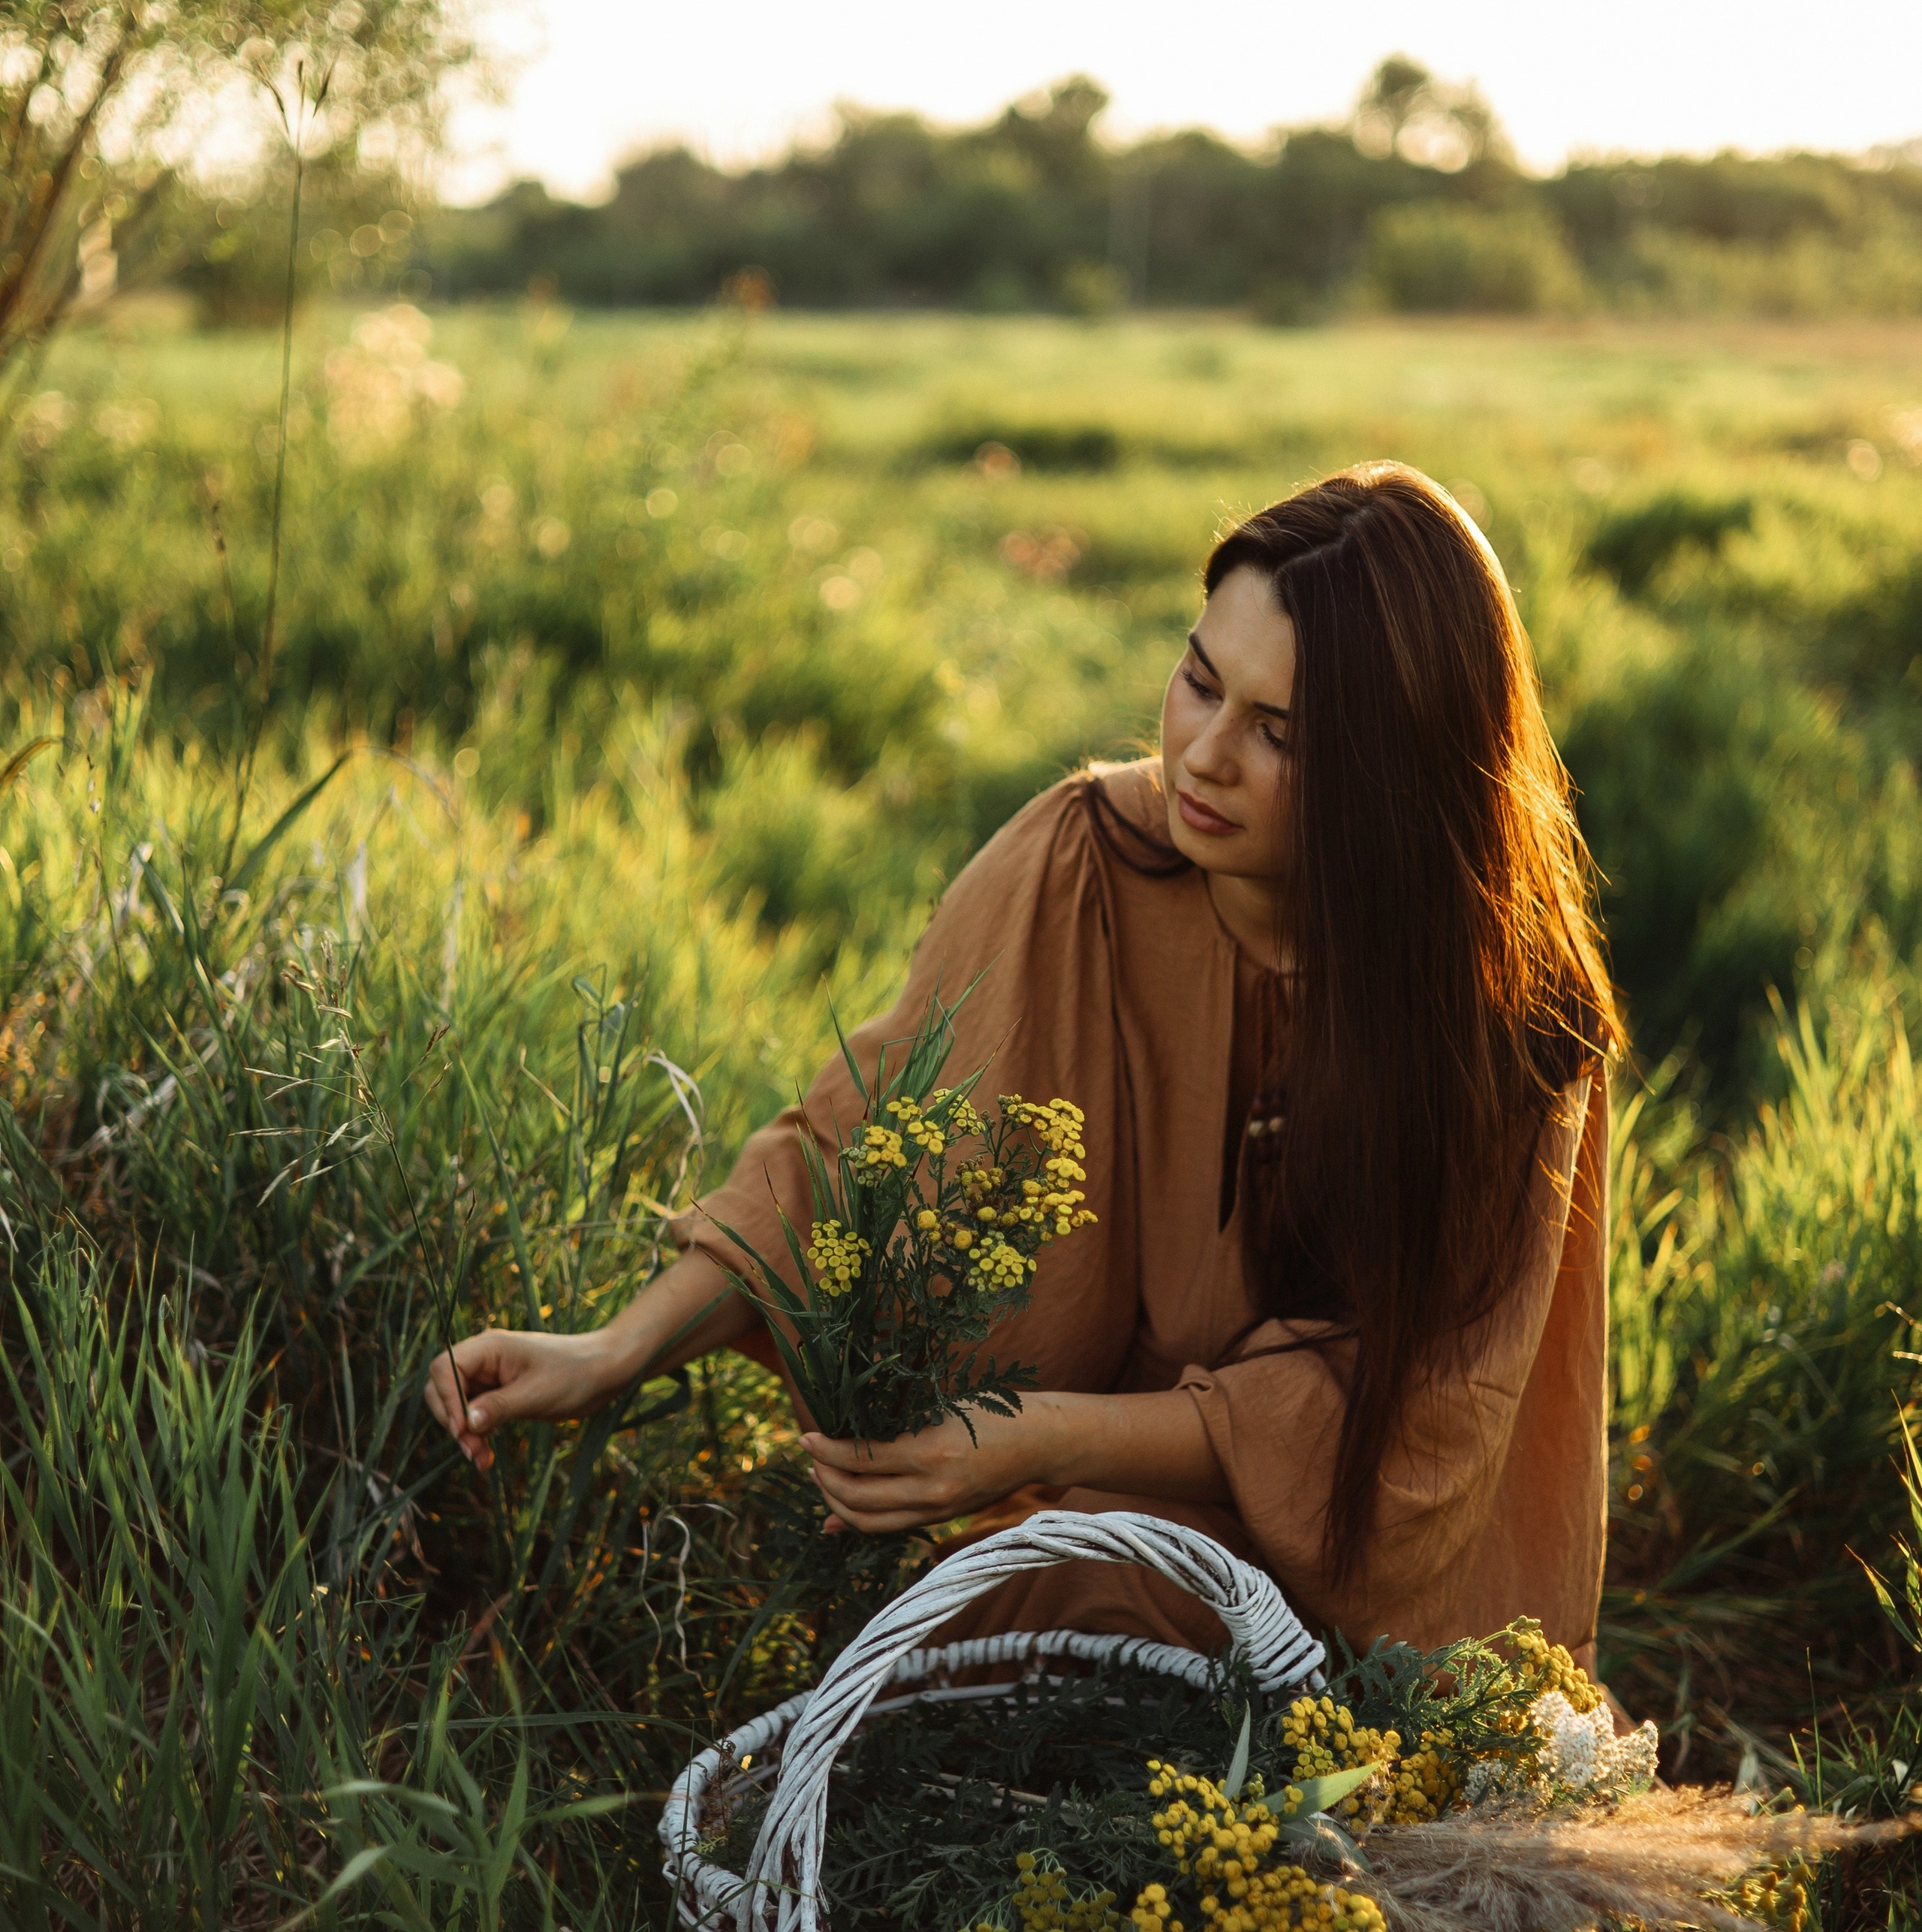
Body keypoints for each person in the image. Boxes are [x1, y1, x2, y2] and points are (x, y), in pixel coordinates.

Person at [425, 464, 1621, 1667]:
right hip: (1077, 1523)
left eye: (1279, 736)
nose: (1203, 756)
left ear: (1393, 776)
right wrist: (613, 1351)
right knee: (1015, 1608)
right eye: (1199, 681)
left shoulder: (1504, 1018)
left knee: (1082, 1608)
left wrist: (1036, 1439)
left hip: (1362, 1591)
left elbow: (1398, 1430)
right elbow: (861, 1152)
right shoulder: (1082, 865)